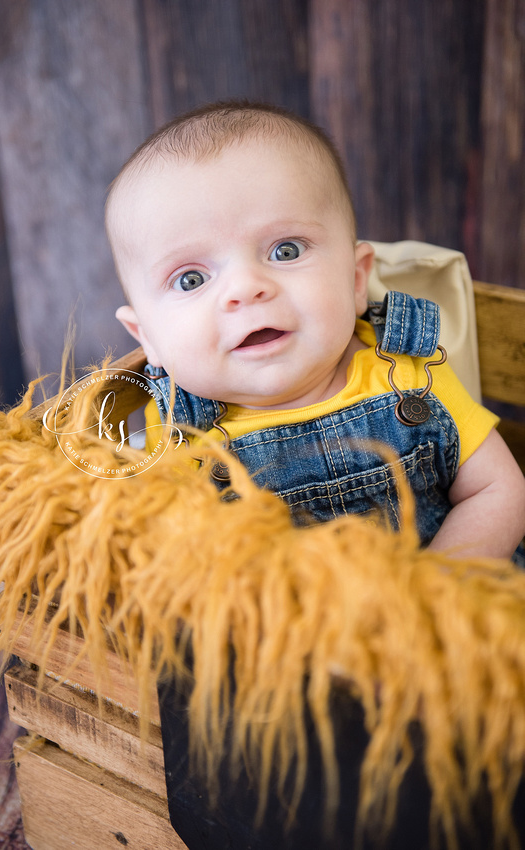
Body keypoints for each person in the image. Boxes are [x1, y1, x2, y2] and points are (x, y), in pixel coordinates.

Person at [105, 100, 525, 561]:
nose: (245, 289)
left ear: (356, 279)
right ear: (147, 337)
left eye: (285, 251)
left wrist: (439, 597)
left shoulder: (408, 375)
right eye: (191, 279)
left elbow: (498, 489)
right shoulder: (172, 437)